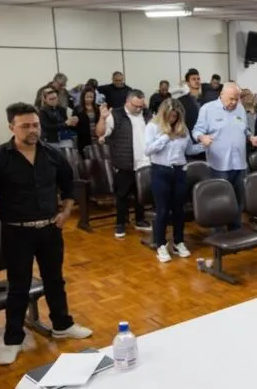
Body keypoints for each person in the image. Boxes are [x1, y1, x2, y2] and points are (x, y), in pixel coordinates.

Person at [0, 102, 93, 365]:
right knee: (19, 286)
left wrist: (66, 210)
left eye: (35, 124)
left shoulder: (51, 153)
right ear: (11, 127)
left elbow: (68, 182)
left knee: (55, 280)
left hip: (50, 229)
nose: (32, 130)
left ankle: (62, 324)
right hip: (17, 233)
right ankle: (12, 339)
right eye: (25, 125)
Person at [193, 83, 257, 230]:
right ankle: (218, 234)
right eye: (231, 99)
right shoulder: (208, 109)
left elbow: (244, 129)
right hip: (219, 165)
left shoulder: (240, 108)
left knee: (238, 201)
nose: (234, 102)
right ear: (222, 95)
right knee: (219, 202)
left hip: (239, 164)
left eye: (237, 99)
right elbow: (196, 130)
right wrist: (202, 137)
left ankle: (235, 231)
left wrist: (251, 138)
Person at [144, 99, 204, 263]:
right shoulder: (152, 127)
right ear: (163, 115)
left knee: (179, 210)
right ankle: (161, 244)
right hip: (160, 171)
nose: (173, 119)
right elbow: (147, 150)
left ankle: (178, 241)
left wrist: (205, 145)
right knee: (162, 210)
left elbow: (190, 149)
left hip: (179, 172)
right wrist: (165, 137)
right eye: (170, 116)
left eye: (175, 117)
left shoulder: (182, 128)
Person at [95, 90, 152, 238]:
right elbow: (100, 133)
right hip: (124, 162)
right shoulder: (116, 115)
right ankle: (120, 223)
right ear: (127, 102)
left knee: (142, 194)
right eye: (136, 106)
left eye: (141, 105)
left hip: (144, 162)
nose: (139, 109)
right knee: (122, 195)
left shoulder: (147, 114)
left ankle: (140, 219)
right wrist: (102, 118)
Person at [73, 85, 99, 151]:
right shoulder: (77, 109)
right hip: (84, 139)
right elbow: (74, 126)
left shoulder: (98, 108)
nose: (89, 99)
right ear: (83, 97)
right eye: (87, 97)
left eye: (91, 97)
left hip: (97, 137)